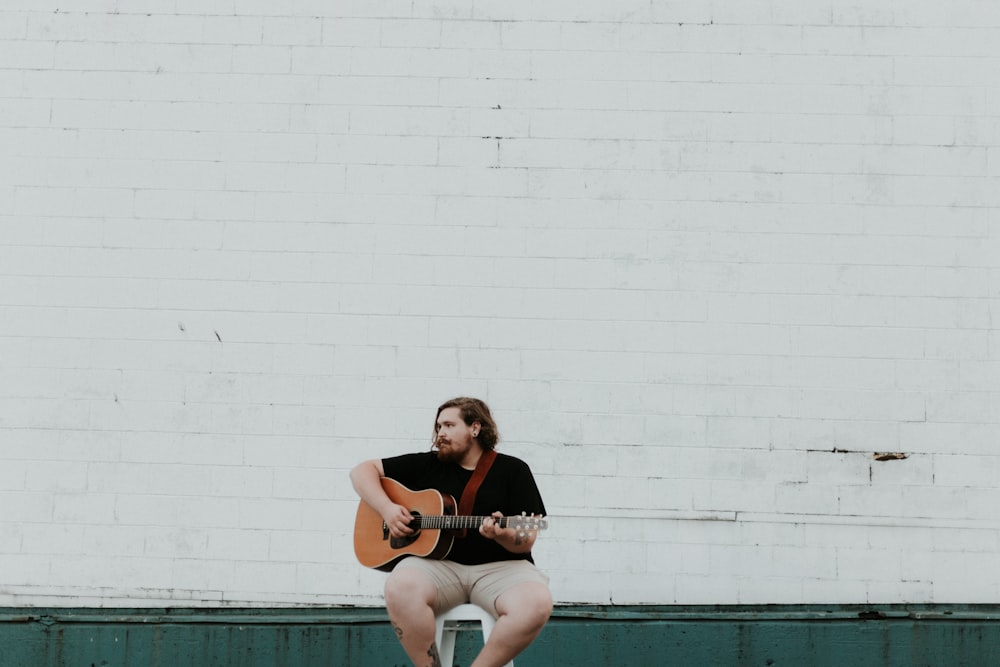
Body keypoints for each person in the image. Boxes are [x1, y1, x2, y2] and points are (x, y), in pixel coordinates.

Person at [350, 397, 552, 667]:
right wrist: (387, 509)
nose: (440, 433)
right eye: (438, 426)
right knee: (400, 586)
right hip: (438, 567)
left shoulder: (513, 470)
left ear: (475, 428)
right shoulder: (427, 464)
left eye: (448, 425)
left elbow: (526, 540)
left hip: (501, 569)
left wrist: (502, 534)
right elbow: (361, 471)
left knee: (537, 601)